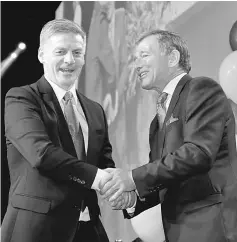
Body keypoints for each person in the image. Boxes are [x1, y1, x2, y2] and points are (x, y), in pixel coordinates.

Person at [100, 29, 237, 242]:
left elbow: (198, 153)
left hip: (211, 227)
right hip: (177, 233)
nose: (136, 65)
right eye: (135, 59)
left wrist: (132, 178)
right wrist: (133, 199)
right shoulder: (156, 122)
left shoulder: (201, 88)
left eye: (144, 55)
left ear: (172, 57)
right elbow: (164, 181)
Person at [1, 18, 117, 242]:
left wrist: (119, 187)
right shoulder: (21, 98)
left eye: (77, 52)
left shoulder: (95, 110)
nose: (69, 60)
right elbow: (41, 154)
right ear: (41, 55)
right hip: (36, 230)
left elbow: (103, 163)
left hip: (88, 228)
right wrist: (100, 178)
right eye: (60, 51)